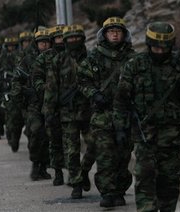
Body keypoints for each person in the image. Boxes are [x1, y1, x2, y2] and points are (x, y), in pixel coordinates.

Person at [113, 21, 180, 212]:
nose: (160, 51)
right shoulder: (134, 66)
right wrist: (120, 128)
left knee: (169, 184)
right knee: (145, 182)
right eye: (156, 47)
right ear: (149, 45)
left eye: (164, 48)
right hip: (145, 137)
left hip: (172, 137)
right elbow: (121, 101)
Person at [77, 17, 136, 207]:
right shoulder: (94, 57)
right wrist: (94, 94)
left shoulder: (133, 58)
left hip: (126, 115)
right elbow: (82, 80)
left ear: (124, 34)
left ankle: (119, 190)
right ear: (105, 34)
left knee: (123, 154)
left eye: (118, 31)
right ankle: (107, 192)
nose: (115, 33)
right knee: (104, 154)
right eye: (111, 31)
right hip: (102, 115)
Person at [44, 24, 90, 199]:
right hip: (67, 113)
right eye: (70, 38)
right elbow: (50, 89)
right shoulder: (58, 61)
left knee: (93, 146)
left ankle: (84, 172)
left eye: (77, 37)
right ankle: (76, 183)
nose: (73, 41)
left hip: (88, 112)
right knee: (72, 151)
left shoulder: (91, 58)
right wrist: (49, 113)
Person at [10, 28, 51, 180]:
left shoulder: (56, 58)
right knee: (35, 132)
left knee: (49, 136)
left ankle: (44, 165)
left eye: (47, 42)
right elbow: (16, 81)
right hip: (34, 105)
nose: (44, 45)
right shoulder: (27, 60)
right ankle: (35, 164)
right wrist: (22, 95)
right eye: (41, 42)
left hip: (52, 104)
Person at [32, 24, 66, 186]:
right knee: (52, 138)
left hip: (71, 105)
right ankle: (57, 170)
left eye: (62, 37)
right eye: (57, 38)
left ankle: (76, 172)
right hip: (48, 103)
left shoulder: (72, 54)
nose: (60, 41)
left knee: (71, 139)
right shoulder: (43, 58)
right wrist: (46, 90)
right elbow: (37, 79)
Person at [0, 36, 21, 147]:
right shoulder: (2, 58)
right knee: (9, 116)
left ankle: (15, 138)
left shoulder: (21, 57)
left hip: (18, 91)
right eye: (9, 47)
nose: (11, 48)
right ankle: (10, 135)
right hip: (7, 91)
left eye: (13, 46)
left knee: (18, 118)